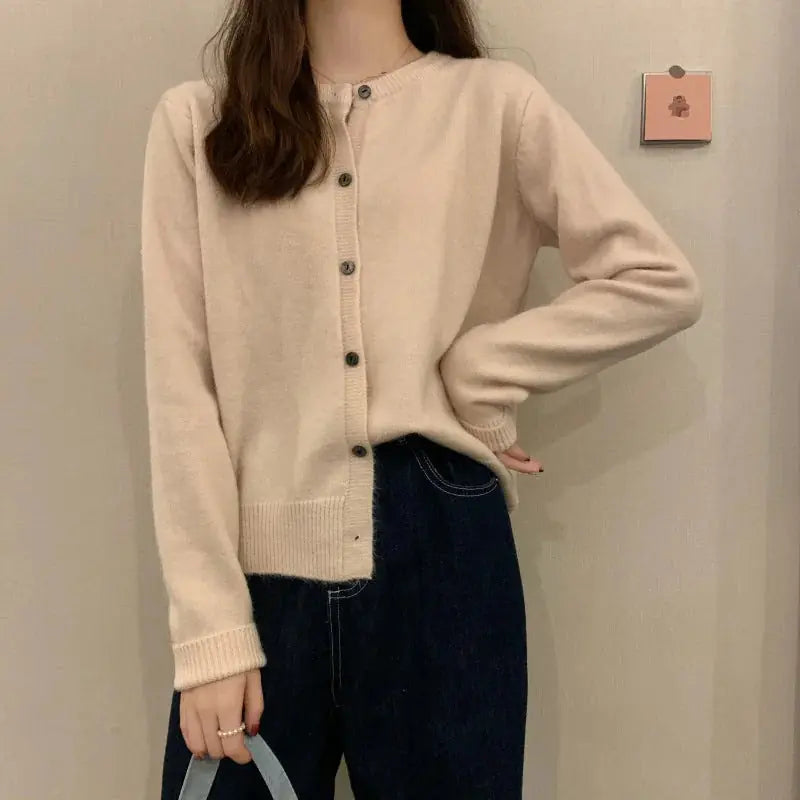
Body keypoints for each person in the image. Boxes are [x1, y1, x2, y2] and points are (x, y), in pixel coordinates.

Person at [140, 0, 703, 797]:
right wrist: (210, 631)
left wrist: (482, 368)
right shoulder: (199, 124)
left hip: (445, 550)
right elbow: (182, 392)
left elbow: (657, 280)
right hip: (255, 577)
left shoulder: (495, 104)